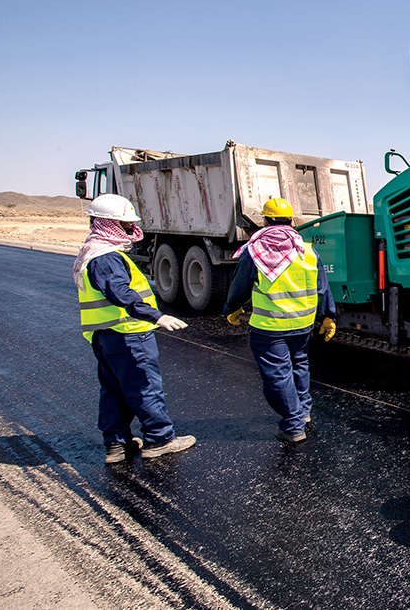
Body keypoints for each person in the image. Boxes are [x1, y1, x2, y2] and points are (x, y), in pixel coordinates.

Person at [73, 194, 195, 463]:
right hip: (128, 335)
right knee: (145, 387)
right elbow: (120, 292)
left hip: (106, 335)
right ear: (110, 224)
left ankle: (116, 445)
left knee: (115, 390)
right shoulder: (106, 258)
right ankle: (160, 439)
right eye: (126, 224)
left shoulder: (92, 251)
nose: (131, 229)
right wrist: (156, 315)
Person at [222, 198, 337, 443]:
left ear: (265, 221)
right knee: (299, 364)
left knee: (278, 375)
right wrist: (328, 315)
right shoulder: (306, 250)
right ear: (292, 221)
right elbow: (322, 286)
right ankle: (303, 411)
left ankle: (293, 425)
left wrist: (232, 308)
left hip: (270, 328)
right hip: (302, 325)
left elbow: (240, 285)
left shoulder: (256, 251)